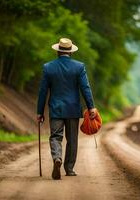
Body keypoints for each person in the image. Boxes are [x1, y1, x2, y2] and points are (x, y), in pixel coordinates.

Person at [37, 38, 96, 180]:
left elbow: (43, 91)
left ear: (57, 51)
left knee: (55, 137)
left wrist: (39, 111)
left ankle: (57, 158)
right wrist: (91, 107)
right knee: (72, 139)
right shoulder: (79, 67)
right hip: (72, 109)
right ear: (71, 52)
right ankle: (69, 169)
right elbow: (85, 88)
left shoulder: (48, 67)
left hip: (56, 109)